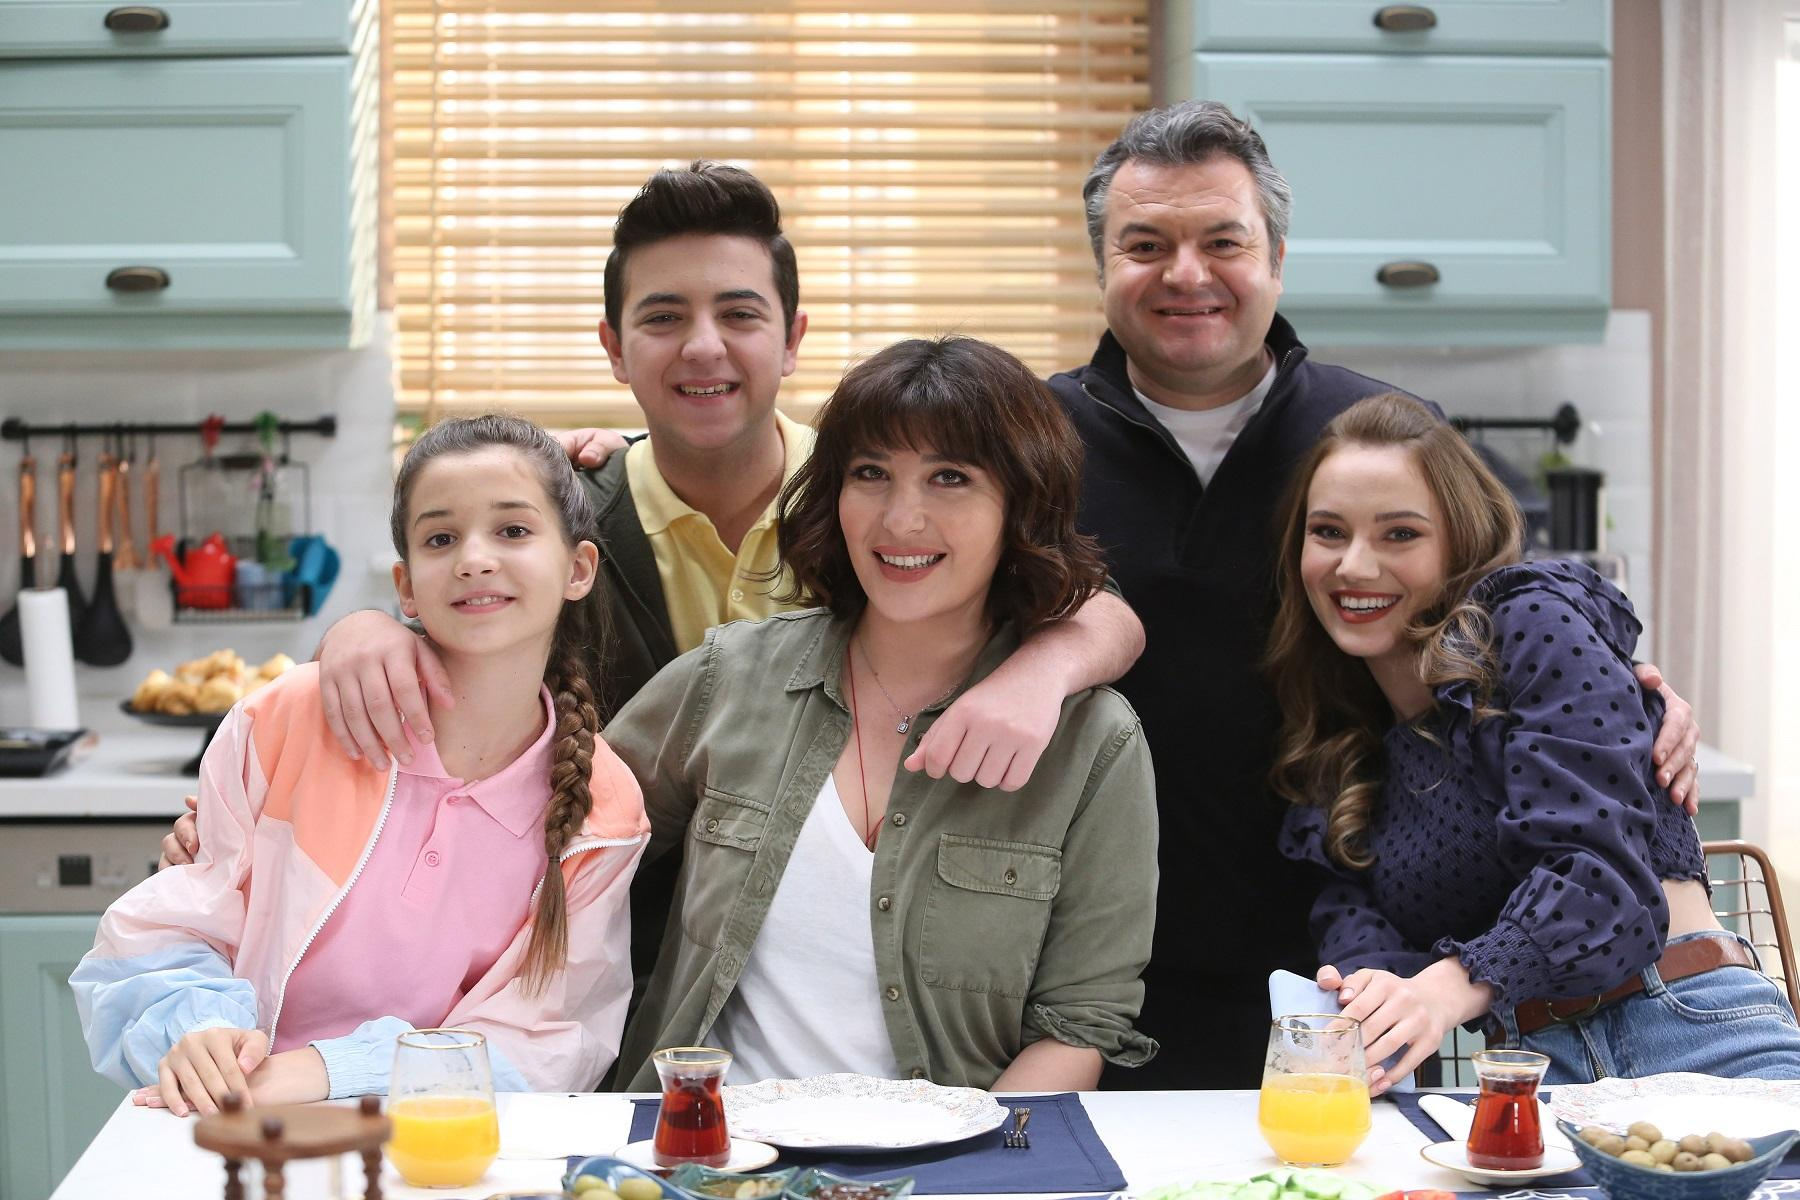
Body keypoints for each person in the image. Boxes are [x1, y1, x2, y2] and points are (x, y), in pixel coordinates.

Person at [189, 163, 1145, 984]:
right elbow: (452, 648)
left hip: (823, 978)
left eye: (739, 313)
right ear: (613, 347)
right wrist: (360, 631)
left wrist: (1042, 672)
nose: (703, 346)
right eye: (662, 317)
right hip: (575, 972)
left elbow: (1077, 599)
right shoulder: (557, 521)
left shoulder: (871, 505)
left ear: (793, 337)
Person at [1041, 100, 1703, 1087]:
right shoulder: (1031, 448)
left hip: (1340, 976)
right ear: (1101, 264)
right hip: (1078, 979)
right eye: (1146, 245)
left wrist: (1632, 689)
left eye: (1223, 241)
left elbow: (1513, 625)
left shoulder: (1374, 430)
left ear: (1276, 258)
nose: (1186, 274)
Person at [606, 335, 1159, 1090]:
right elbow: (552, 846)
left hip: (954, 1148)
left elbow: (1080, 1024)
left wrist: (969, 1155)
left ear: (1021, 506)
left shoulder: (1093, 742)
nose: (901, 519)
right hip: (709, 1142)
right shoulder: (731, 676)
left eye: (950, 478)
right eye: (870, 474)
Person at [74, 416, 649, 1115]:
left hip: (437, 1141)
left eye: (512, 530)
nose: (474, 559)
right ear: (405, 587)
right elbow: (173, 927)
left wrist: (327, 1069)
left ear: (578, 569)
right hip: (240, 1123)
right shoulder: (285, 719)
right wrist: (199, 1032)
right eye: (440, 538)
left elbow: (550, 1040)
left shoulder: (605, 808)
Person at [1269, 392, 1800, 1086]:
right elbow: (1356, 920)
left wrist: (1444, 989)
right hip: (1531, 1070)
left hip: (1690, 1028)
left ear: (1460, 542)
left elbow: (1603, 877)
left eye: (1399, 534)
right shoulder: (1341, 737)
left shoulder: (1530, 623)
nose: (1354, 566)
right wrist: (1371, 998)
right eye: (1329, 532)